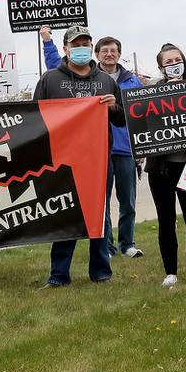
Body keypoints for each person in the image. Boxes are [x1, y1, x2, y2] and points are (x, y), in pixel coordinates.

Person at [33, 25, 126, 287]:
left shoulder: (106, 81)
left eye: (86, 43)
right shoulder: (50, 79)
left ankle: (101, 271)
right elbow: (34, 118)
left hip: (98, 160)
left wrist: (113, 107)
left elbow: (121, 120)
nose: (81, 49)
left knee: (99, 213)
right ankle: (59, 275)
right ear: (66, 49)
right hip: (62, 160)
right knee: (64, 213)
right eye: (76, 44)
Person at [42, 25, 144, 258]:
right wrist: (46, 40)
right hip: (78, 155)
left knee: (124, 202)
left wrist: (140, 145)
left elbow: (131, 117)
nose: (109, 54)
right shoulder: (54, 79)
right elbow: (38, 115)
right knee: (90, 207)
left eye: (113, 50)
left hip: (121, 150)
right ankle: (97, 253)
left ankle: (121, 248)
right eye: (75, 46)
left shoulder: (119, 82)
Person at [144, 44, 186, 288]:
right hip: (160, 169)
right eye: (168, 61)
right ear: (161, 67)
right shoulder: (153, 93)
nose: (174, 64)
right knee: (165, 219)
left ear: (184, 60)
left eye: (177, 59)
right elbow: (143, 127)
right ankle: (170, 271)